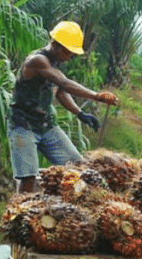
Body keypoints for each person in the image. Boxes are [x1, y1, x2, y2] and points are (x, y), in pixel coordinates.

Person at [8, 21, 119, 193]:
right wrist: (97, 96)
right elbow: (65, 83)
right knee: (28, 177)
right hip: (23, 126)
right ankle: (21, 212)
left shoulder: (54, 63)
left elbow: (60, 92)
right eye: (68, 52)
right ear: (54, 45)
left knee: (77, 166)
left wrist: (80, 113)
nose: (69, 57)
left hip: (46, 126)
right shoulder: (38, 60)